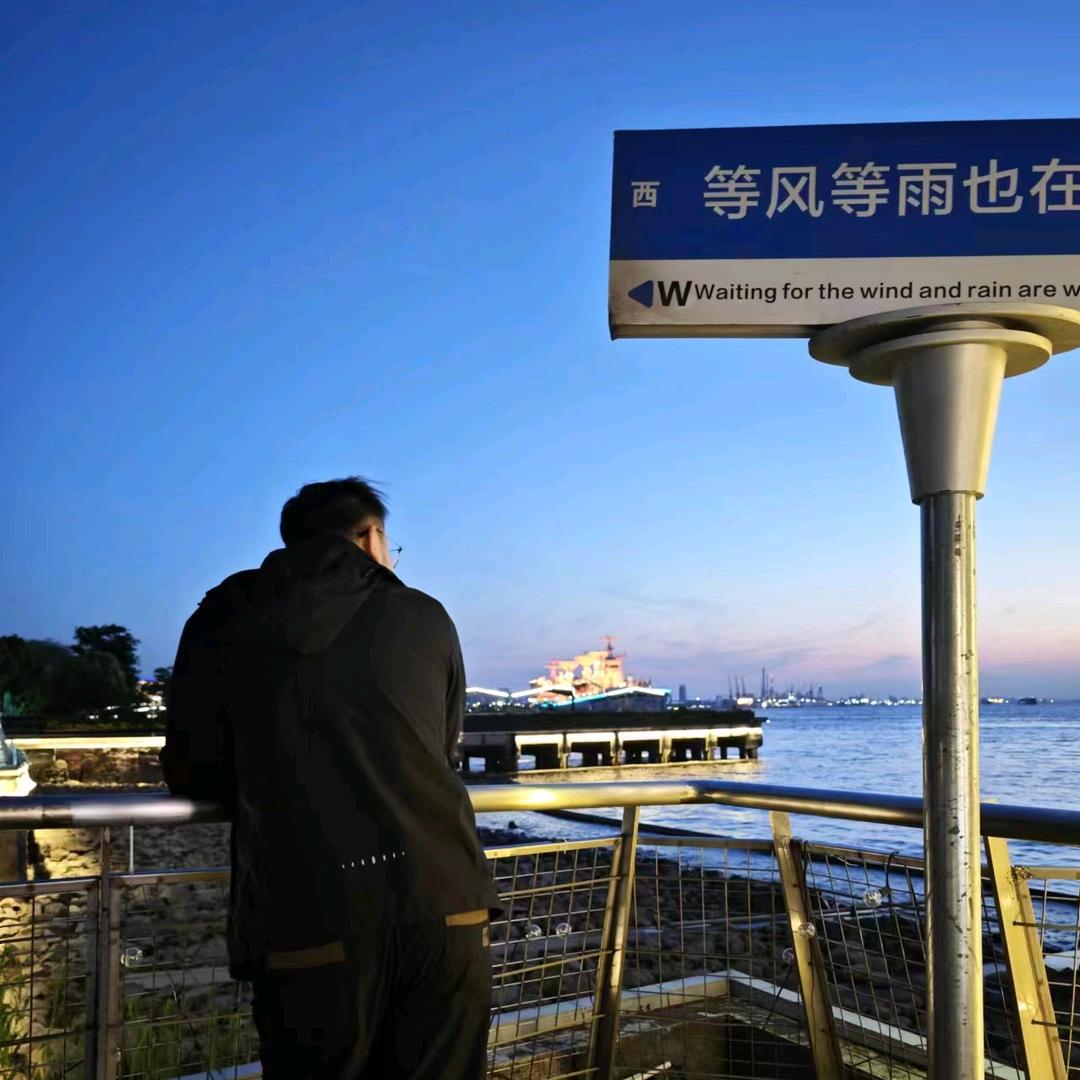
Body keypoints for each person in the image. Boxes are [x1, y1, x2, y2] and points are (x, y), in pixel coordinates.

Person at [162, 477, 500, 1080]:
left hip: (308, 914)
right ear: (371, 537)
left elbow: (195, 771)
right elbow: (443, 746)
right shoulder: (424, 615)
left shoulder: (221, 620)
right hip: (444, 900)